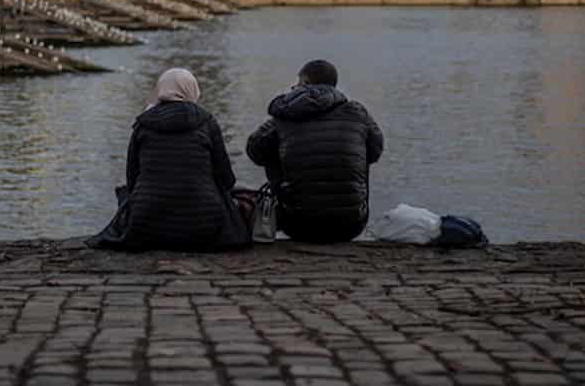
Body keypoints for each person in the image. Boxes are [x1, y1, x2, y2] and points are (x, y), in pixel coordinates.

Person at [89, 68, 249, 251]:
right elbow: (226, 178)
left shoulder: (143, 124)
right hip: (204, 224)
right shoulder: (206, 121)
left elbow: (132, 178)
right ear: (192, 89)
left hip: (146, 223)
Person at [246, 59, 383, 242]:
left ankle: (293, 202)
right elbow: (375, 152)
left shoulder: (285, 115)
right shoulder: (357, 112)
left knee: (270, 147)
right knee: (359, 149)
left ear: (305, 84)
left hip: (297, 225)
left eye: (297, 83)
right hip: (351, 224)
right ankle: (346, 204)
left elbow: (254, 151)